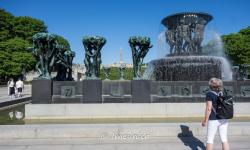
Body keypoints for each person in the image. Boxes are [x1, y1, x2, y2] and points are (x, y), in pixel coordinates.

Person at [202, 78, 230, 150]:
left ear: (210, 85)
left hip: (214, 119)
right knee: (224, 139)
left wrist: (205, 120)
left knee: (210, 139)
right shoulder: (223, 93)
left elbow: (209, 109)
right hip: (224, 118)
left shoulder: (209, 94)